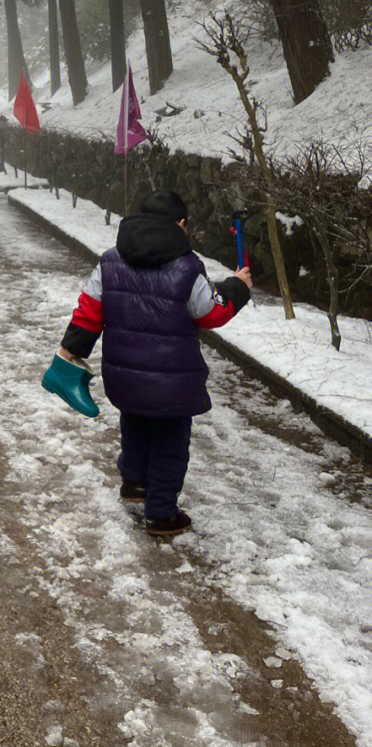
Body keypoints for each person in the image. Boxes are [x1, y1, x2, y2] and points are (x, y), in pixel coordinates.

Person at [52, 188, 252, 538]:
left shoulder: (109, 260)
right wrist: (237, 288)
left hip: (124, 374)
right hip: (172, 383)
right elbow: (211, 312)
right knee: (170, 443)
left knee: (136, 424)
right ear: (181, 223)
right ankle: (161, 514)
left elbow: (88, 312)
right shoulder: (188, 266)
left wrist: (70, 351)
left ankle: (134, 484)